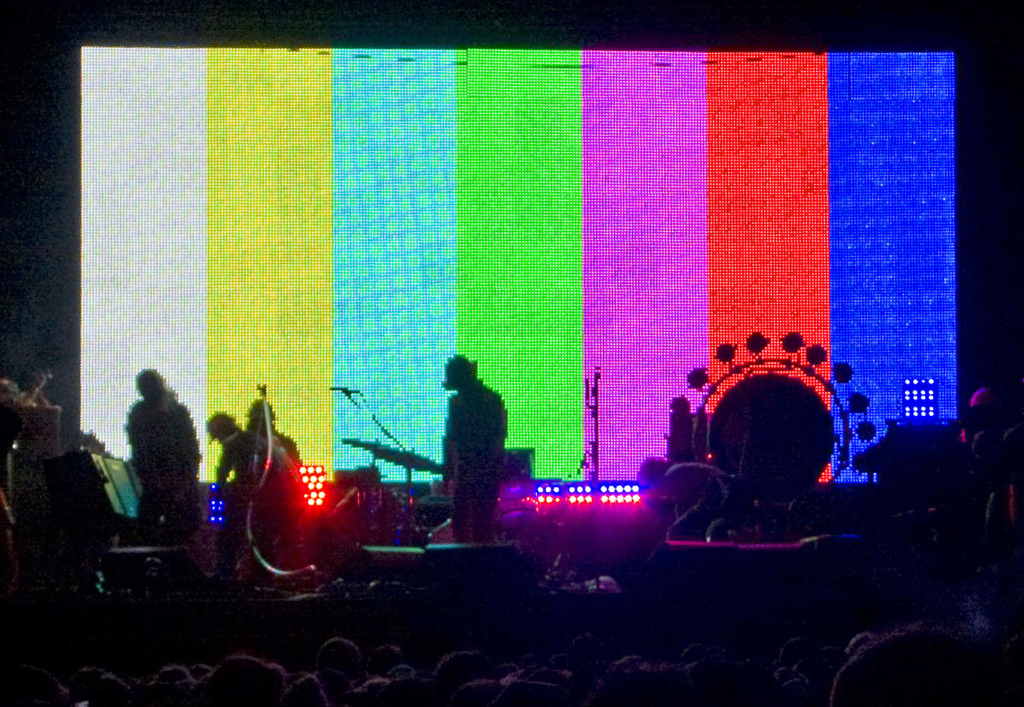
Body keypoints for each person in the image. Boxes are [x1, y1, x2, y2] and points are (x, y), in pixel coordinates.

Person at [125, 370, 201, 544]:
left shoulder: (142, 414)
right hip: (164, 484)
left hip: (170, 484)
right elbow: (191, 449)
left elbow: (189, 449)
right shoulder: (171, 412)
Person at [442, 355, 507, 543]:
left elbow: (451, 439)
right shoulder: (492, 399)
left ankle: (464, 566)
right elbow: (500, 436)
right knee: (483, 526)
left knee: (463, 525)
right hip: (486, 471)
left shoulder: (458, 403)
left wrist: (449, 472)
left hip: (470, 471)